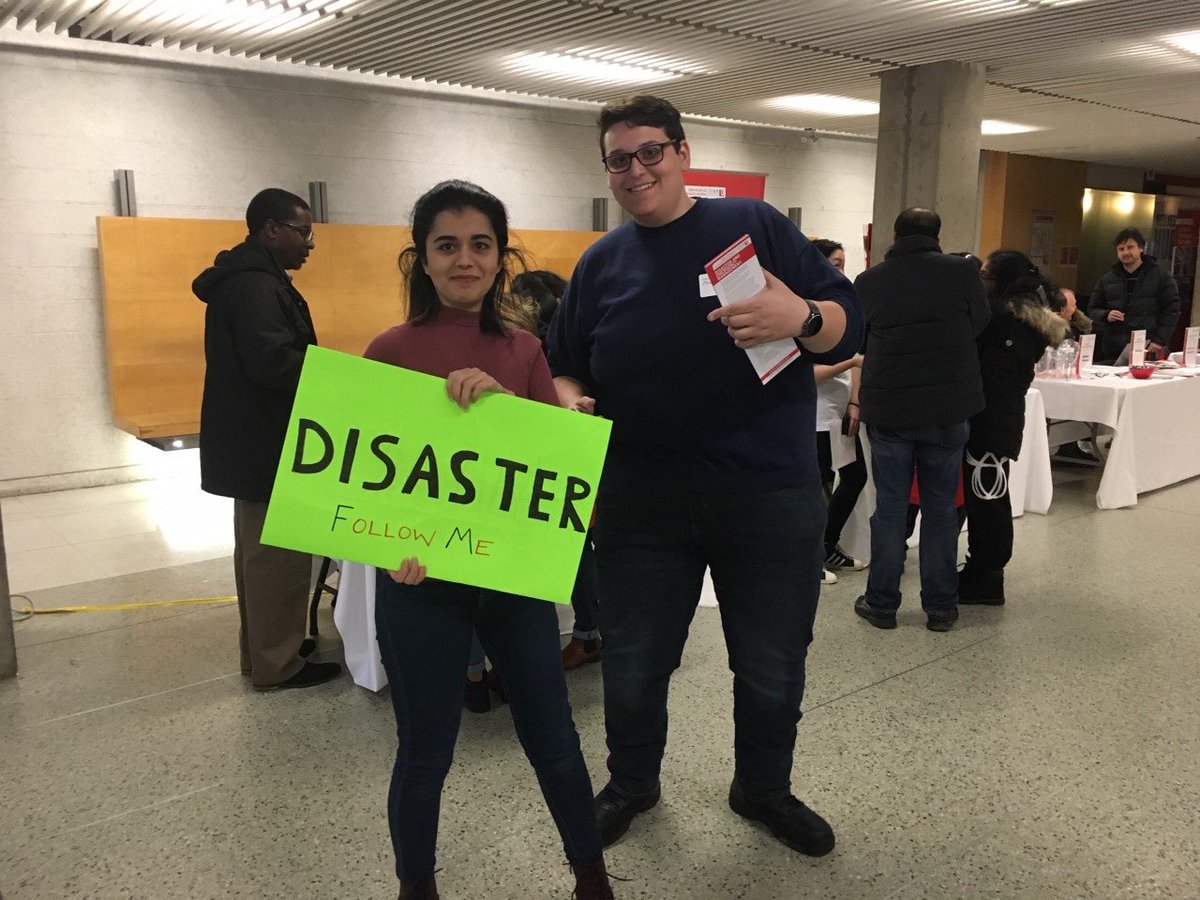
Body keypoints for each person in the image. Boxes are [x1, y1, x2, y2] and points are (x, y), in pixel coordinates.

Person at [548, 95, 862, 856]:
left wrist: (805, 320)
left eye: (650, 151)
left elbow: (851, 313)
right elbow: (562, 361)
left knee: (771, 660)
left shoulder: (751, 228)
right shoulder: (601, 262)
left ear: (683, 152)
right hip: (640, 502)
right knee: (633, 662)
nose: (635, 170)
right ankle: (632, 783)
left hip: (767, 492)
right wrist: (566, 397)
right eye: (618, 159)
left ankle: (762, 789)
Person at [364, 180, 613, 900]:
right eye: (447, 245)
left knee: (555, 740)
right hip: (420, 587)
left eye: (480, 244)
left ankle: (591, 876)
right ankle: (418, 887)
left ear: (500, 255)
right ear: (423, 258)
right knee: (425, 752)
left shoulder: (527, 350)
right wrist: (387, 549)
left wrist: (506, 413)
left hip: (512, 583)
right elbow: (361, 485)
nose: (464, 259)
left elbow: (554, 471)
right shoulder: (388, 350)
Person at [193, 188, 342, 692]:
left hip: (253, 443)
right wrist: (337, 375)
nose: (311, 242)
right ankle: (278, 665)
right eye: (303, 231)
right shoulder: (256, 286)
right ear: (271, 229)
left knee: (259, 558)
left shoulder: (248, 280)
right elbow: (274, 363)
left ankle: (264, 651)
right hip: (266, 445)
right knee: (276, 561)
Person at [853, 208, 990, 632]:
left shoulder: (869, 281)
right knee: (941, 511)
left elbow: (858, 337)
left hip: (890, 409)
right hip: (948, 407)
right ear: (938, 234)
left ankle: (881, 604)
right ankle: (941, 608)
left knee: (891, 509)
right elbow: (980, 323)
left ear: (895, 236)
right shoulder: (962, 273)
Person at [959, 250, 1068, 605]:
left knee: (988, 497)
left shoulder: (1009, 324)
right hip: (994, 419)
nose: (981, 281)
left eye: (986, 275)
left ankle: (986, 576)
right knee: (984, 498)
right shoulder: (1015, 320)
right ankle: (982, 569)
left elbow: (994, 379)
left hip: (991, 422)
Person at [513, 271, 604, 670]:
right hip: (578, 455)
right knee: (582, 545)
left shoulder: (525, 346)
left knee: (570, 549)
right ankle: (591, 632)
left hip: (548, 459)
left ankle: (584, 636)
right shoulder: (578, 332)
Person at [810, 239, 867, 583]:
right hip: (814, 414)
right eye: (833, 263)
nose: (840, 270)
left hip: (839, 412)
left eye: (843, 263)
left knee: (854, 476)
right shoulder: (802, 309)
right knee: (817, 486)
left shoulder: (845, 305)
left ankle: (828, 543)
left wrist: (855, 401)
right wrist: (849, 361)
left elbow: (860, 356)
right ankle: (812, 557)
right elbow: (805, 374)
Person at [1086, 227, 1181, 362]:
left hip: (1149, 345)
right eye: (1121, 249)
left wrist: (1159, 340)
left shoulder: (1161, 276)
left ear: (1141, 248)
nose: (1126, 252)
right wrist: (1106, 314)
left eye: (1130, 247)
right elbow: (1092, 309)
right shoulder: (1107, 279)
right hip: (1113, 348)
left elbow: (1172, 310)